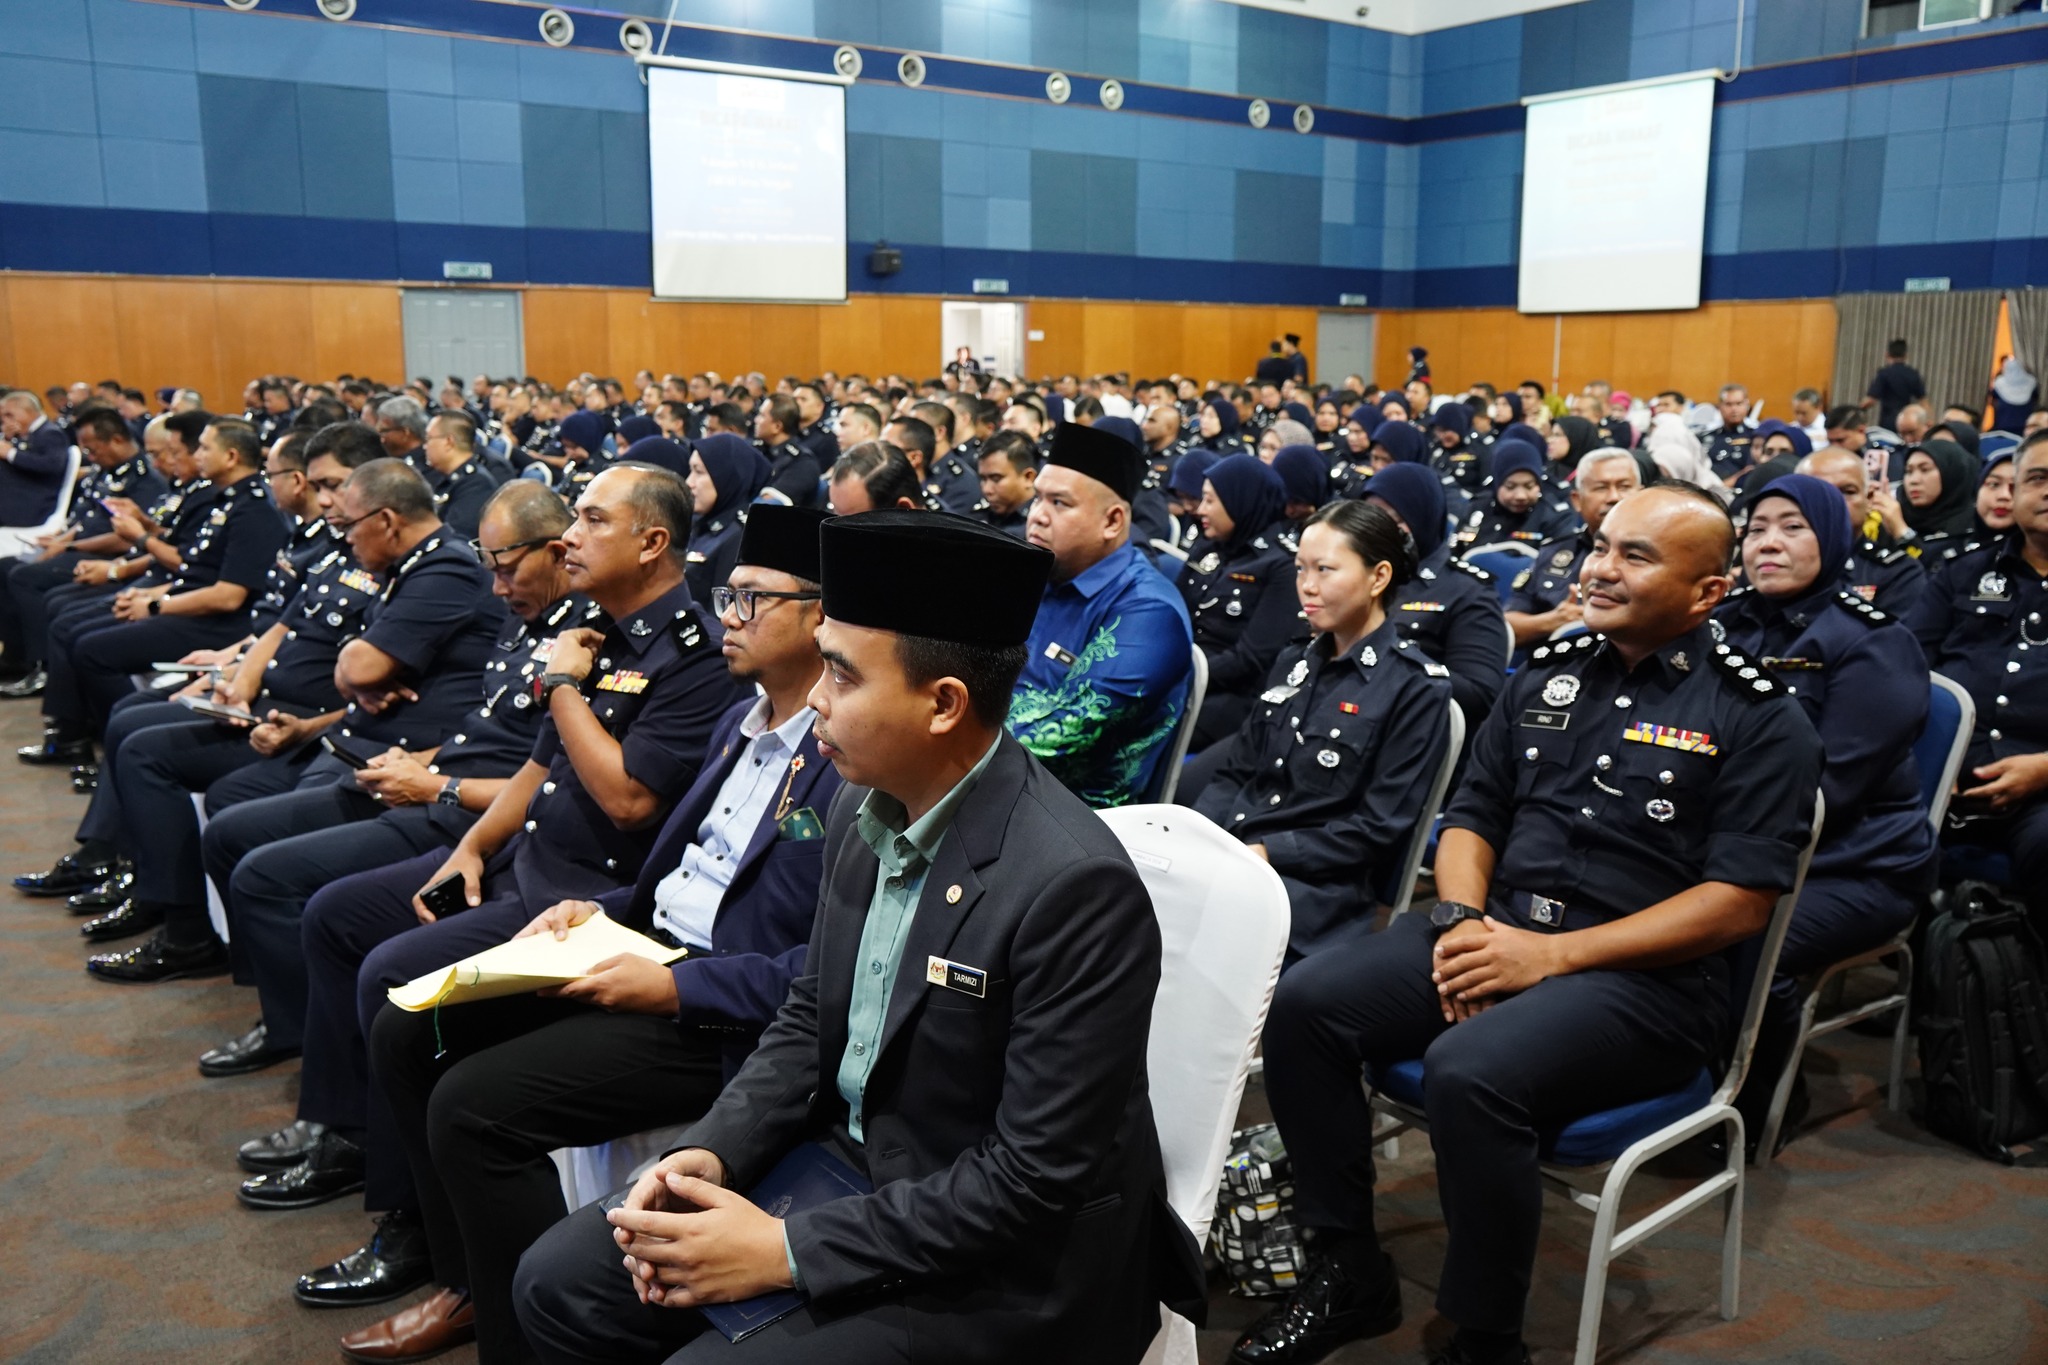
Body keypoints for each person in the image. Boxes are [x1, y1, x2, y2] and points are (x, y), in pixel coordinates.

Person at [514, 508, 1205, 1365]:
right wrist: (710, 1150)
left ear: (944, 703)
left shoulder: (1072, 885)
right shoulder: (857, 801)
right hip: (852, 1164)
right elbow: (811, 1017)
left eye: (841, 674)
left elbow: (1031, 1181)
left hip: (1006, 1260)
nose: (813, 698)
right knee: (557, 1281)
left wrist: (783, 1251)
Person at [1233, 484, 1822, 1365]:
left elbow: (1737, 901)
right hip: (1500, 932)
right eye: (1599, 545)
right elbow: (1471, 816)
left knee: (1470, 1069)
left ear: (1707, 591)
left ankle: (1486, 1335)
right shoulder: (1547, 675)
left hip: (1648, 984)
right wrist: (1467, 920)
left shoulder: (1756, 713)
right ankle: (1348, 1265)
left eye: (1636, 555)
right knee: (1309, 1003)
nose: (1599, 567)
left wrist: (1548, 956)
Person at [352, 506, 841, 1365]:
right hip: (640, 943)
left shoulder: (848, 758)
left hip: (720, 1004)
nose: (726, 615)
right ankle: (466, 1281)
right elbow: (678, 874)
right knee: (407, 1025)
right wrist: (599, 910)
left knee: (472, 1106)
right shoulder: (744, 723)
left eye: (751, 600)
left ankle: (520, 1340)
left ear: (822, 616)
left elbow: (824, 972)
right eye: (726, 595)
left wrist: (676, 986)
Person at [194, 481, 596, 1079]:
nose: (498, 588)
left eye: (508, 569)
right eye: (492, 569)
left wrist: (438, 786)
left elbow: (550, 780)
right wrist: (419, 762)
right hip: (434, 787)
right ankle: (296, 1026)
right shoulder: (525, 619)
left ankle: (314, 1052)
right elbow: (480, 731)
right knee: (235, 836)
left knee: (283, 884)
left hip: (470, 813)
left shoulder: (584, 642)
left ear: (556, 553)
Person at [1716, 475, 1935, 1151]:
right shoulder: (1722, 622)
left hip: (1855, 864)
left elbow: (1829, 792)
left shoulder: (1872, 642)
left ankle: (1747, 1107)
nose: (1769, 543)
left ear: (1832, 537)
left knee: (1746, 942)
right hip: (1739, 841)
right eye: (1756, 529)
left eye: (1792, 527)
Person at [1193, 501, 1452, 960]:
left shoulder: (1413, 687)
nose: (1307, 587)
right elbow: (1236, 773)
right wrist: (1206, 837)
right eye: (1300, 569)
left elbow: (1375, 829)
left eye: (1326, 570)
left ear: (1378, 577)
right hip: (1235, 859)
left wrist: (1269, 852)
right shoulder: (1294, 660)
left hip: (1315, 892)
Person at [1009, 422, 1193, 807]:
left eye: (1059, 503)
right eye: (1038, 498)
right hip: (994, 785)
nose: (1037, 516)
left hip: (1074, 821)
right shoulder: (1038, 571)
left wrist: (932, 731)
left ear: (1112, 521)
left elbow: (1058, 737)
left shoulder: (1149, 612)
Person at [1905, 434, 2048, 919]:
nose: (2047, 491)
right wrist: (1930, 762)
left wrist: (2044, 770)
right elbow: (1903, 671)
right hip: (1939, 783)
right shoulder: (1961, 573)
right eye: (2037, 479)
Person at [1366, 463, 1508, 741]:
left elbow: (1480, 697)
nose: (1379, 532)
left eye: (1393, 520)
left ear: (1422, 517)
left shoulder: (1467, 591)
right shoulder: (1360, 577)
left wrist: (1389, 657)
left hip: (1415, 735)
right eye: (1372, 520)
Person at [1179, 454, 1297, 749]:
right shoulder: (1208, 545)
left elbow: (1250, 659)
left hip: (1226, 696)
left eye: (1209, 500)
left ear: (1238, 501)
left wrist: (1181, 674)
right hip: (1181, 672)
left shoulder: (1280, 565)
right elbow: (1172, 611)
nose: (1200, 509)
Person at [1503, 448, 1640, 650]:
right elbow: (1507, 624)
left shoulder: (1661, 556)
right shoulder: (1553, 553)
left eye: (1624, 487)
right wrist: (1553, 621)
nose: (1613, 497)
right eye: (1601, 488)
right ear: (1577, 500)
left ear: (1641, 494)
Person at [1798, 446, 1927, 618]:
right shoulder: (1775, 561)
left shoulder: (1898, 573)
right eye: (1819, 491)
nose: (1834, 501)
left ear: (1869, 499)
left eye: (1847, 491)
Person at [682, 434, 771, 603]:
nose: (689, 482)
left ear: (726, 478)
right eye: (690, 471)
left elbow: (721, 616)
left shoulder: (740, 537)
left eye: (699, 472)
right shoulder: (699, 522)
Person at [1454, 438, 1576, 550]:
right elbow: (1453, 555)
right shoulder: (1476, 508)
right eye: (1510, 487)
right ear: (1497, 484)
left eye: (1529, 486)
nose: (1520, 496)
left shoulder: (1555, 518)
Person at [0, 389, 77, 526]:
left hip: (31, 505)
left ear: (28, 412)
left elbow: (51, 465)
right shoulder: (28, 434)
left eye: (9, 415)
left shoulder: (50, 433)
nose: (4, 421)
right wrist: (7, 439)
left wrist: (11, 454)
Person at [1891, 439, 1979, 549]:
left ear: (1950, 474)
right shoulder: (1895, 512)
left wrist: (1902, 533)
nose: (1913, 480)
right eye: (1909, 471)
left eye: (1925, 469)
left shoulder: (1973, 528)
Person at [972, 429, 1037, 536]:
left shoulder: (1039, 529)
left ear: (1028, 477)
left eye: (996, 479)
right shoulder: (978, 518)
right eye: (983, 479)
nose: (986, 489)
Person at [1864, 338, 1926, 432]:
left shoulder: (1884, 374)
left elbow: (1871, 400)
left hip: (1888, 422)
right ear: (1905, 356)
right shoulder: (1913, 374)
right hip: (1906, 421)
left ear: (1887, 355)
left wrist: (1857, 410)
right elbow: (1924, 401)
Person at [1704, 384, 1756, 482]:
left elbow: (1753, 470)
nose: (1734, 409)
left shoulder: (1755, 436)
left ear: (1747, 405)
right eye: (1728, 404)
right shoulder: (1706, 437)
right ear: (1719, 407)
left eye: (1739, 403)